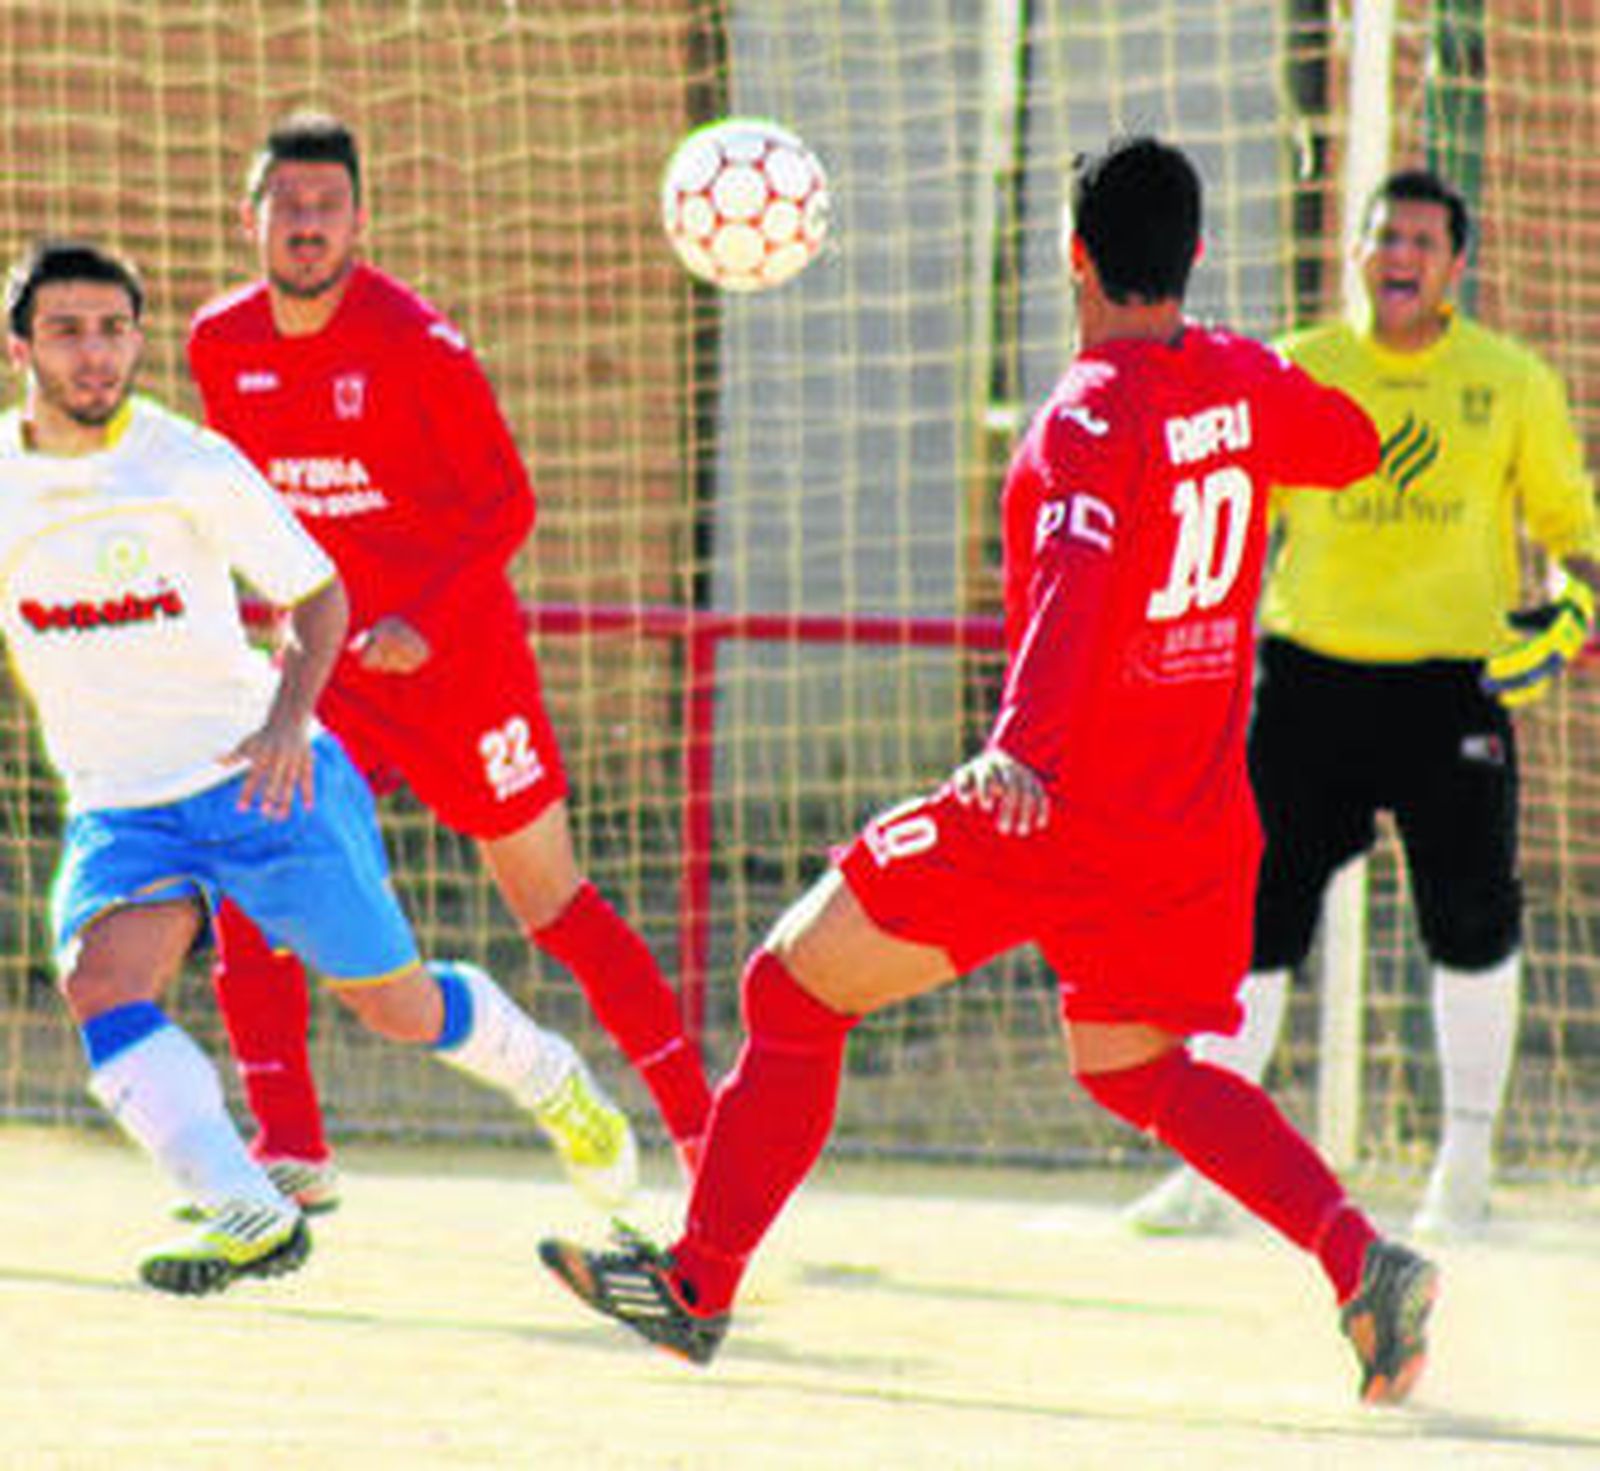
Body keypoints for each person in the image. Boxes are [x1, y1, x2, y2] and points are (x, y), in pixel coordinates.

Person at [538, 136, 1440, 1405]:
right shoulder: (1234, 375)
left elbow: (1073, 581)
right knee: (1132, 1067)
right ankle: (1363, 1258)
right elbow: (1347, 443)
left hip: (1056, 809)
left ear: (1072, 258)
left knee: (788, 990)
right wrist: (1240, 372)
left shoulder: (1085, 415)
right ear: (1190, 256)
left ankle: (698, 1283)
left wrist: (1020, 743)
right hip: (1188, 823)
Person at [2, 239, 638, 1294]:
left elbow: (319, 593)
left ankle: (550, 1074)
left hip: (260, 779)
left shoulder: (188, 463)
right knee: (99, 978)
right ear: (20, 343)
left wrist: (292, 719)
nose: (95, 352)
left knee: (394, 1007)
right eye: (68, 330)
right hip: (123, 808)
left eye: (115, 329)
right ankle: (245, 1208)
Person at [186, 112, 712, 1212]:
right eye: (288, 205)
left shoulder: (417, 343)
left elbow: (508, 502)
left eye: (329, 206)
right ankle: (294, 1149)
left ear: (360, 221)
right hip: (329, 665)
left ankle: (704, 1137)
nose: (309, 225)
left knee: (553, 904)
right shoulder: (219, 345)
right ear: (251, 221)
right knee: (250, 867)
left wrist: (423, 614)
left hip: (459, 667)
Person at [1127, 168, 1600, 1242]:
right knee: (1246, 928)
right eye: (1384, 234)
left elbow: (1575, 533)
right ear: (1356, 250)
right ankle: (1208, 1170)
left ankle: (1465, 1165)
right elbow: (1232, 517)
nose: (1402, 253)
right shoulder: (1298, 368)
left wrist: (1571, 614)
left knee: (1472, 922)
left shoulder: (1510, 379)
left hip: (1449, 692)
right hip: (1307, 685)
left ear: (1455, 266)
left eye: (1425, 241)